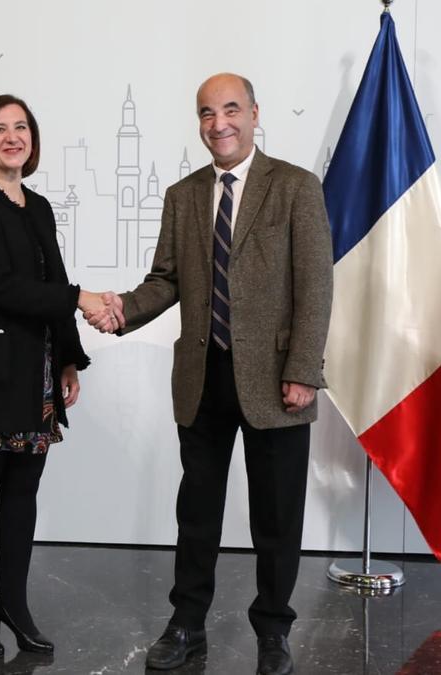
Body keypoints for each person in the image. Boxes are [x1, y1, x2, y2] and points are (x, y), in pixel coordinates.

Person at [87, 73, 333, 675]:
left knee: (278, 516)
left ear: (254, 113)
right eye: (206, 112)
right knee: (197, 512)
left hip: (278, 381)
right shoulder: (183, 195)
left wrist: (303, 369)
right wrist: (122, 309)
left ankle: (273, 631)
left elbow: (316, 286)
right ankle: (186, 624)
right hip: (201, 377)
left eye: (229, 109)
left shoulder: (296, 187)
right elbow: (166, 280)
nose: (218, 123)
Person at [0, 94, 108, 657]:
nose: (14, 137)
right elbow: (0, 289)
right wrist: (81, 297)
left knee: (23, 491)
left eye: (22, 127)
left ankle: (12, 602)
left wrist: (68, 357)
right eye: (1, 129)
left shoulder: (38, 208)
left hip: (32, 376)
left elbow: (52, 281)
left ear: (32, 138)